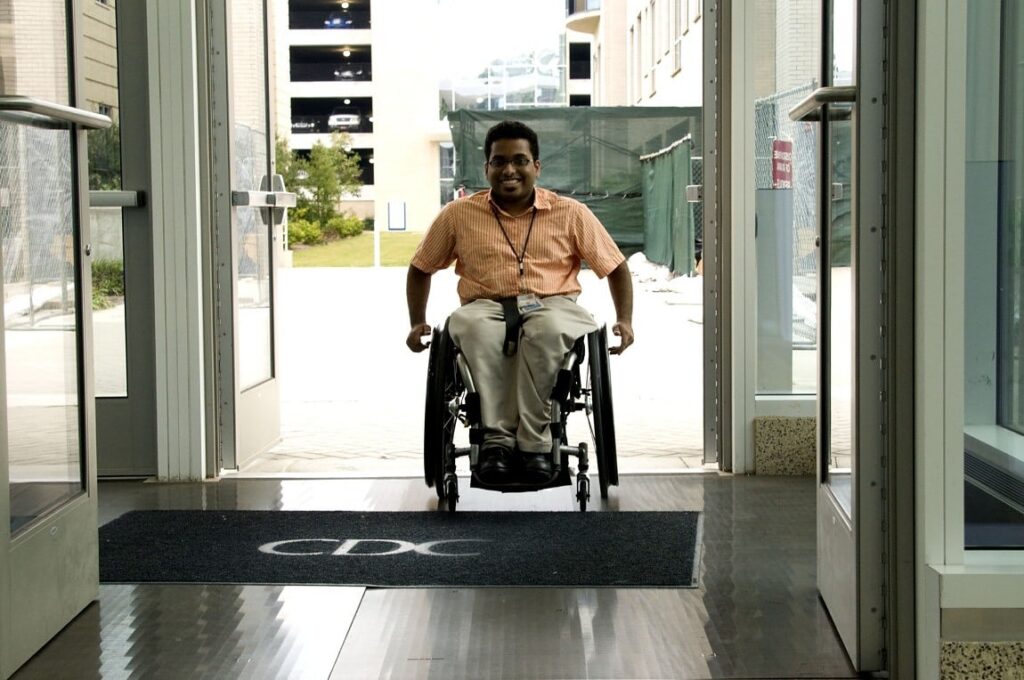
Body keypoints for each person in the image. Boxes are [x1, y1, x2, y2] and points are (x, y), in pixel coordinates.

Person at [405, 120, 634, 484]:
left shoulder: (570, 213)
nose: (509, 169)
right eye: (499, 161)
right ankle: (494, 443)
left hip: (554, 303)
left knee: (547, 330)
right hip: (484, 305)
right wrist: (417, 321)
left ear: (536, 167)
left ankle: (536, 444)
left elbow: (616, 267)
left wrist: (625, 319)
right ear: (487, 168)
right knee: (473, 330)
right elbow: (420, 268)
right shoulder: (458, 215)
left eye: (520, 160)